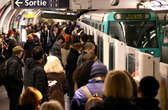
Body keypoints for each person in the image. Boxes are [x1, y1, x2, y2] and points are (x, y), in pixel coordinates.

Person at [4, 45, 24, 110]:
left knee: (13, 103)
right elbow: (11, 74)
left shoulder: (11, 59)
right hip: (14, 86)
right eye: (21, 52)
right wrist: (19, 80)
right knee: (14, 103)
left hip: (10, 85)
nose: (22, 53)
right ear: (19, 53)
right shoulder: (15, 62)